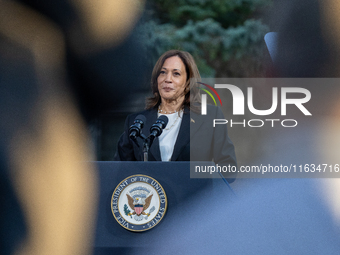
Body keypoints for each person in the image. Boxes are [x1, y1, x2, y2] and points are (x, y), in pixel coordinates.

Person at [114, 50, 237, 176]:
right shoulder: (136, 122)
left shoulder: (209, 117)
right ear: (156, 79)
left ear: (188, 82)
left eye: (176, 74)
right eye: (163, 72)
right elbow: (120, 171)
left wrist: (202, 182)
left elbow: (228, 168)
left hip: (194, 194)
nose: (168, 79)